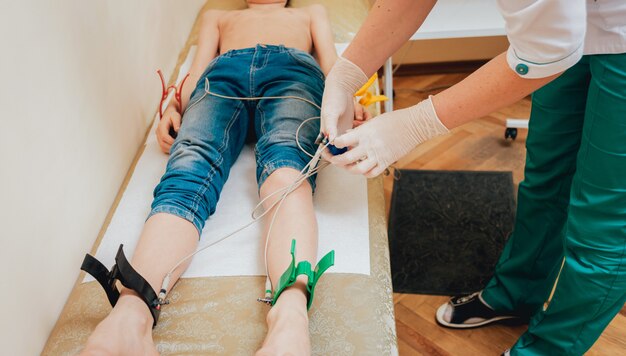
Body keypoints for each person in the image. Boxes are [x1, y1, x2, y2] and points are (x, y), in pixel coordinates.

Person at [320, 0, 626, 355]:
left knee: (602, 224)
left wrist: (411, 126)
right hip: (581, 23)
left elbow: (545, 53)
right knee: (546, 179)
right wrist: (345, 77)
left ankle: (548, 349)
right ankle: (517, 293)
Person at [81, 1, 367, 355]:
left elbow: (334, 68)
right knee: (188, 168)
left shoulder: (311, 13)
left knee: (287, 171)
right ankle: (130, 315)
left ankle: (290, 317)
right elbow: (198, 69)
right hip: (219, 79)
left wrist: (348, 99)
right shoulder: (219, 16)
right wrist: (174, 105)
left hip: (293, 73)